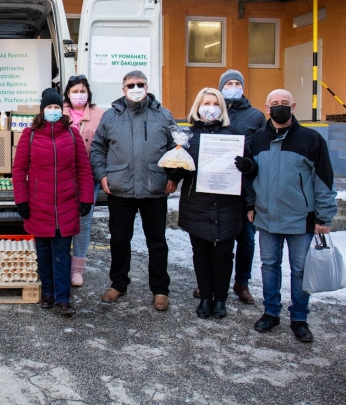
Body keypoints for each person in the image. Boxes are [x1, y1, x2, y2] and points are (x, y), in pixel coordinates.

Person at [247, 89, 338, 342]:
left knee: (299, 270)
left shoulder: (311, 139)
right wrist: (250, 205)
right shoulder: (256, 140)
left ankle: (299, 317)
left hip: (301, 218)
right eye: (274, 104)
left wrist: (324, 218)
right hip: (266, 217)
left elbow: (324, 181)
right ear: (266, 108)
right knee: (269, 267)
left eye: (284, 103)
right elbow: (250, 176)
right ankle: (271, 312)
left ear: (293, 106)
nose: (279, 107)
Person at [165, 88, 257, 320]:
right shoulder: (187, 137)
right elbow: (178, 173)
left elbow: (251, 169)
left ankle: (221, 299)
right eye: (206, 103)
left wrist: (248, 166)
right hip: (197, 204)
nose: (210, 107)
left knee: (224, 255)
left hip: (228, 205)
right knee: (201, 254)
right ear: (198, 107)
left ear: (222, 108)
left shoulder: (234, 135)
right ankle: (206, 297)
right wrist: (174, 167)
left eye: (215, 103)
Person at [90, 70, 177, 311]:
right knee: (119, 240)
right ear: (123, 89)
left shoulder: (162, 115)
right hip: (121, 188)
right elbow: (97, 149)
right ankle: (118, 284)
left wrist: (173, 176)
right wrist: (102, 174)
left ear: (147, 87)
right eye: (131, 85)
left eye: (140, 84)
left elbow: (177, 148)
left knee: (157, 242)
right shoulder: (110, 117)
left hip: (154, 188)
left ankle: (160, 290)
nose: (136, 88)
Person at [13, 88, 94, 316]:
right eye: (49, 107)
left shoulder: (71, 134)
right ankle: (47, 292)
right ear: (42, 110)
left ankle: (63, 298)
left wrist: (86, 197)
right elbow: (19, 170)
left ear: (62, 109)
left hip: (67, 203)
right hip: (39, 203)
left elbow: (83, 168)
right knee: (44, 250)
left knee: (61, 251)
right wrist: (22, 200)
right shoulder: (29, 134)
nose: (53, 111)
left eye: (57, 107)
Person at [216, 69, 267, 305]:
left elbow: (263, 151)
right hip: (218, 185)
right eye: (229, 84)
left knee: (246, 239)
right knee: (216, 237)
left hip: (246, 188)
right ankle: (215, 281)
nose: (233, 87)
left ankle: (242, 282)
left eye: (237, 83)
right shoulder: (213, 111)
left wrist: (251, 165)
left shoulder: (255, 116)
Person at [62, 75, 105, 286]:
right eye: (74, 91)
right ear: (67, 94)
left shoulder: (99, 114)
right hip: (62, 177)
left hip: (89, 177)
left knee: (84, 221)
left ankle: (77, 269)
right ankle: (61, 264)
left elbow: (106, 145)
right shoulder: (58, 113)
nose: (79, 95)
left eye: (82, 91)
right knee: (62, 219)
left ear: (88, 93)